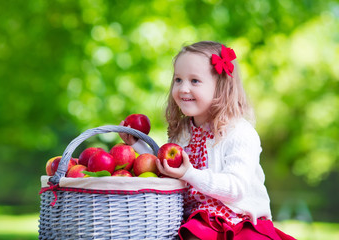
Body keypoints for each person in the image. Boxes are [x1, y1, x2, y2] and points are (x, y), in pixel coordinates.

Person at [120, 41, 295, 240]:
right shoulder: (183, 131)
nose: (183, 88)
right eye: (178, 80)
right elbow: (164, 167)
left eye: (194, 81)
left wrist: (190, 174)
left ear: (221, 87)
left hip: (237, 222)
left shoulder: (239, 132)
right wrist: (135, 144)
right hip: (193, 221)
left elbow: (236, 188)